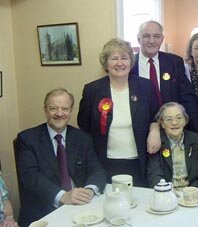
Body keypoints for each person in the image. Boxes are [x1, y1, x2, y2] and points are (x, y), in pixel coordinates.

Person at [15, 88, 107, 227]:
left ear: (71, 111)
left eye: (64, 108)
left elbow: (97, 170)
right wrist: (62, 196)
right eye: (53, 108)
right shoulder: (27, 139)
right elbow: (30, 176)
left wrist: (89, 190)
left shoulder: (82, 138)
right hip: (44, 212)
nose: (59, 113)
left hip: (79, 210)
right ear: (45, 110)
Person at [77, 38, 159, 187]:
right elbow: (84, 125)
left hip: (140, 161)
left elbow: (155, 116)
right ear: (106, 63)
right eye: (114, 58)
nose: (119, 63)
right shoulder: (92, 90)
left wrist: (154, 131)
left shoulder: (145, 86)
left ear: (131, 62)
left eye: (124, 58)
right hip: (105, 163)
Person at [130, 20, 198, 150]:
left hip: (172, 129)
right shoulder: (129, 65)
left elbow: (187, 98)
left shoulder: (174, 62)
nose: (152, 41)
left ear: (162, 38)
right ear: (138, 39)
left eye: (156, 36)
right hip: (139, 132)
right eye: (147, 36)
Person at [147, 102, 198, 193]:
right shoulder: (157, 142)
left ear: (185, 121)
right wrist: (167, 192)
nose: (174, 122)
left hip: (192, 194)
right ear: (162, 123)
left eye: (179, 118)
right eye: (169, 119)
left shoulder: (195, 139)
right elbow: (154, 175)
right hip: (166, 194)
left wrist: (193, 191)